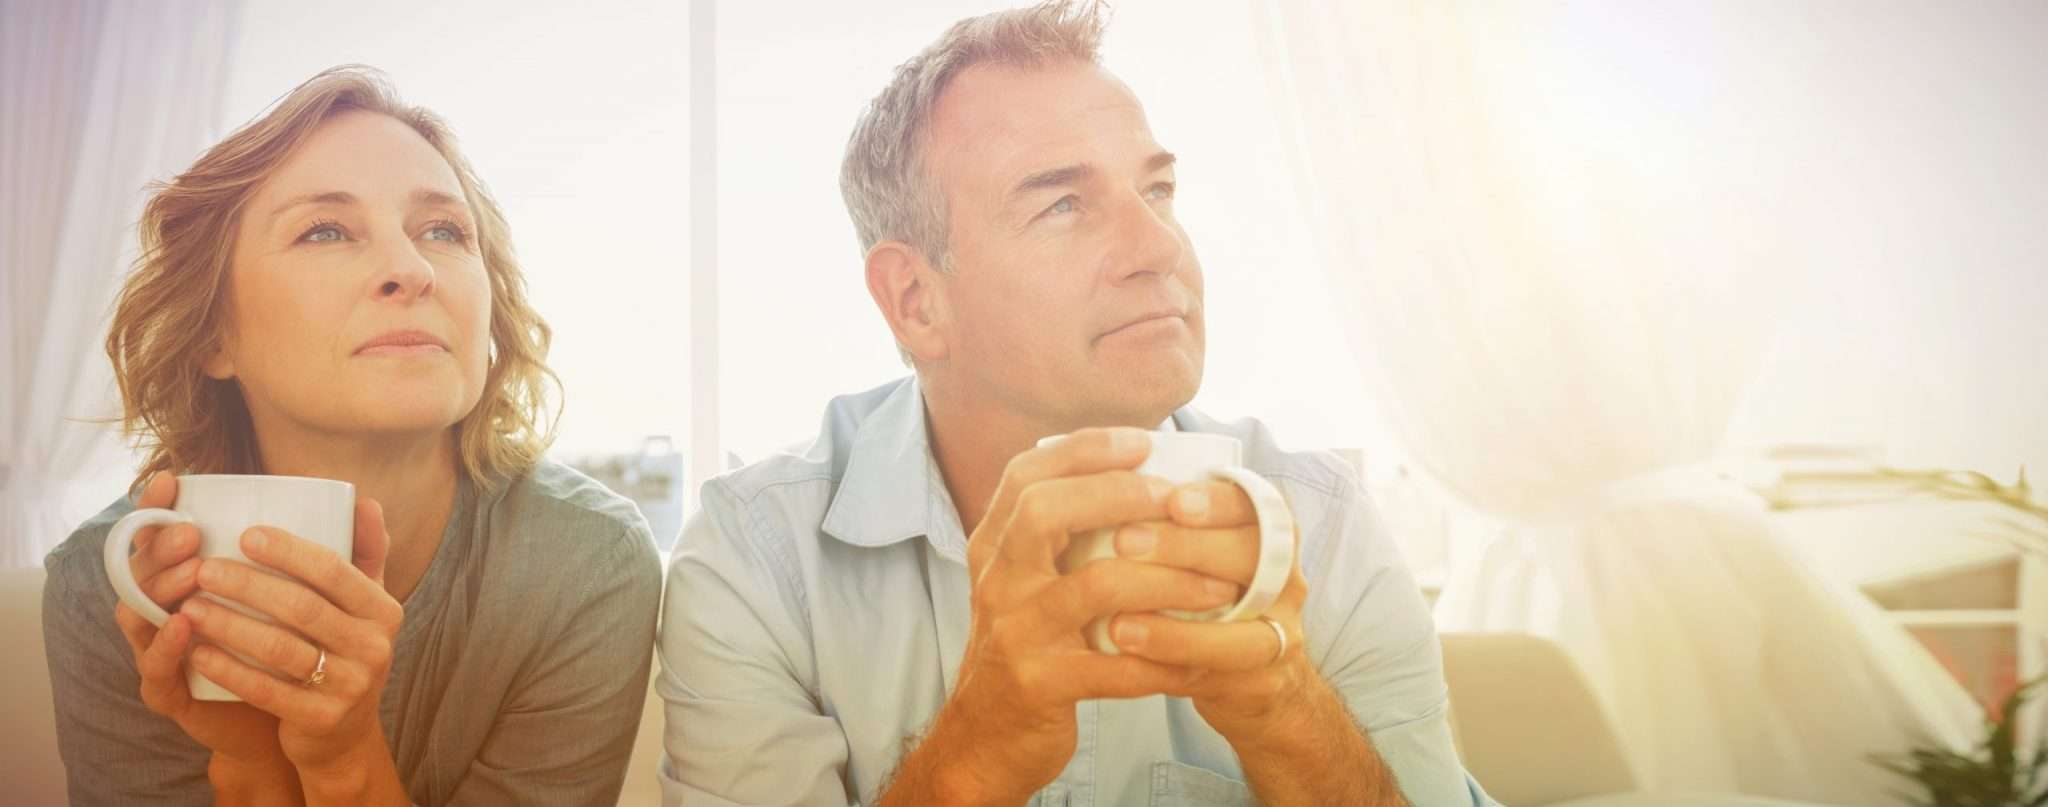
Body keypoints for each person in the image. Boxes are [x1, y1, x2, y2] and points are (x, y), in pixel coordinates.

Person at [656, 3, 1487, 804]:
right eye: (1062, 204)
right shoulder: (757, 561)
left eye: (1157, 191)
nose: (1160, 248)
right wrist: (979, 749)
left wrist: (1285, 712)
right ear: (915, 300)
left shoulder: (1324, 524)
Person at [42, 66, 662, 806]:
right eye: (325, 230)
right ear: (213, 334)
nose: (411, 268)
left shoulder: (586, 563)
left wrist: (341, 759)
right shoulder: (109, 587)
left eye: (443, 230)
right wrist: (249, 759)